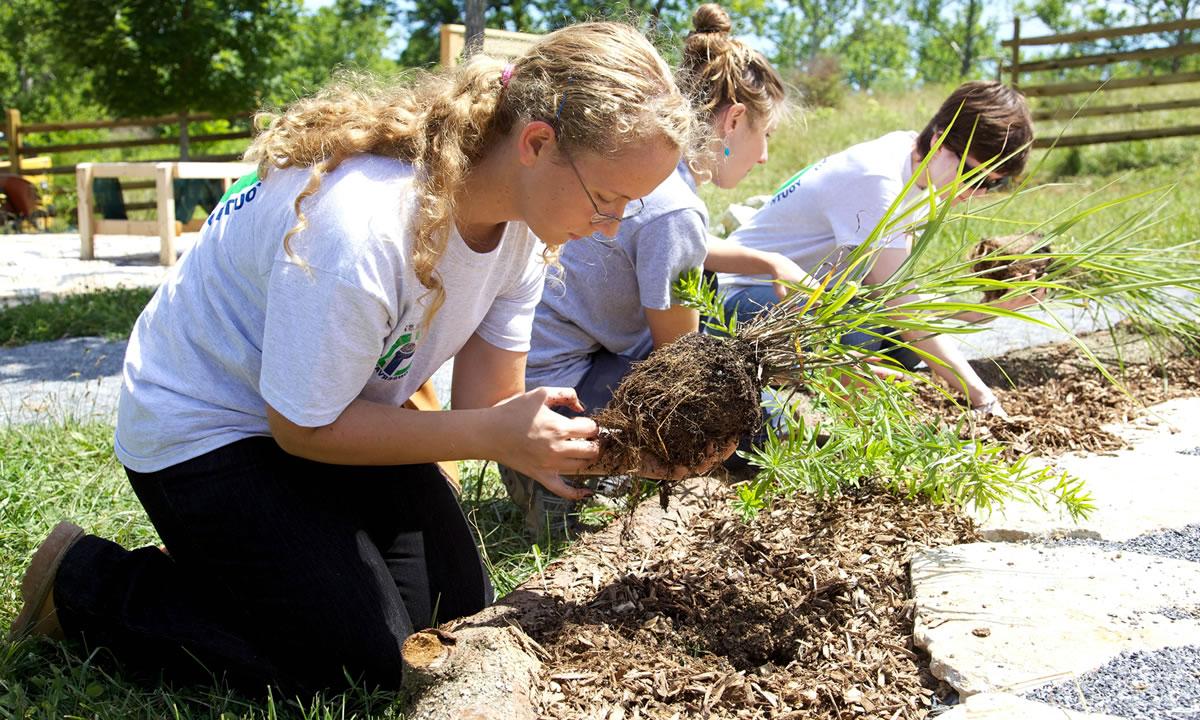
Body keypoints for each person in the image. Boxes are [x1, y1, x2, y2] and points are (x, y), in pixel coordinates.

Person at [7, 22, 725, 695]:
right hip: (210, 430)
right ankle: (88, 585)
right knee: (367, 663)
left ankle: (245, 568)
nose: (608, 229)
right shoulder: (363, 227)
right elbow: (300, 429)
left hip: (334, 413)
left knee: (456, 623)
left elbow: (487, 410)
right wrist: (495, 435)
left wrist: (636, 452)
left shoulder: (520, 231)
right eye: (607, 199)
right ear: (535, 143)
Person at [501, 3, 797, 536]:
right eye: (764, 133)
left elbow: (676, 243)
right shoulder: (675, 207)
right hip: (559, 409)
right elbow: (677, 371)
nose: (763, 157)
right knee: (738, 402)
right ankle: (585, 485)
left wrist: (766, 259)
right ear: (732, 120)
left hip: (525, 387)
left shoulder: (643, 174)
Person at [714, 80, 1037, 415]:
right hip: (741, 297)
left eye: (994, 184)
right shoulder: (879, 181)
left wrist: (980, 312)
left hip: (809, 296)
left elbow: (898, 293)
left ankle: (830, 376)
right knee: (862, 334)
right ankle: (793, 389)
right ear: (940, 141)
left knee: (899, 345)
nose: (977, 192)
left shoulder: (916, 168)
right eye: (974, 176)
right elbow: (902, 308)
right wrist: (982, 397)